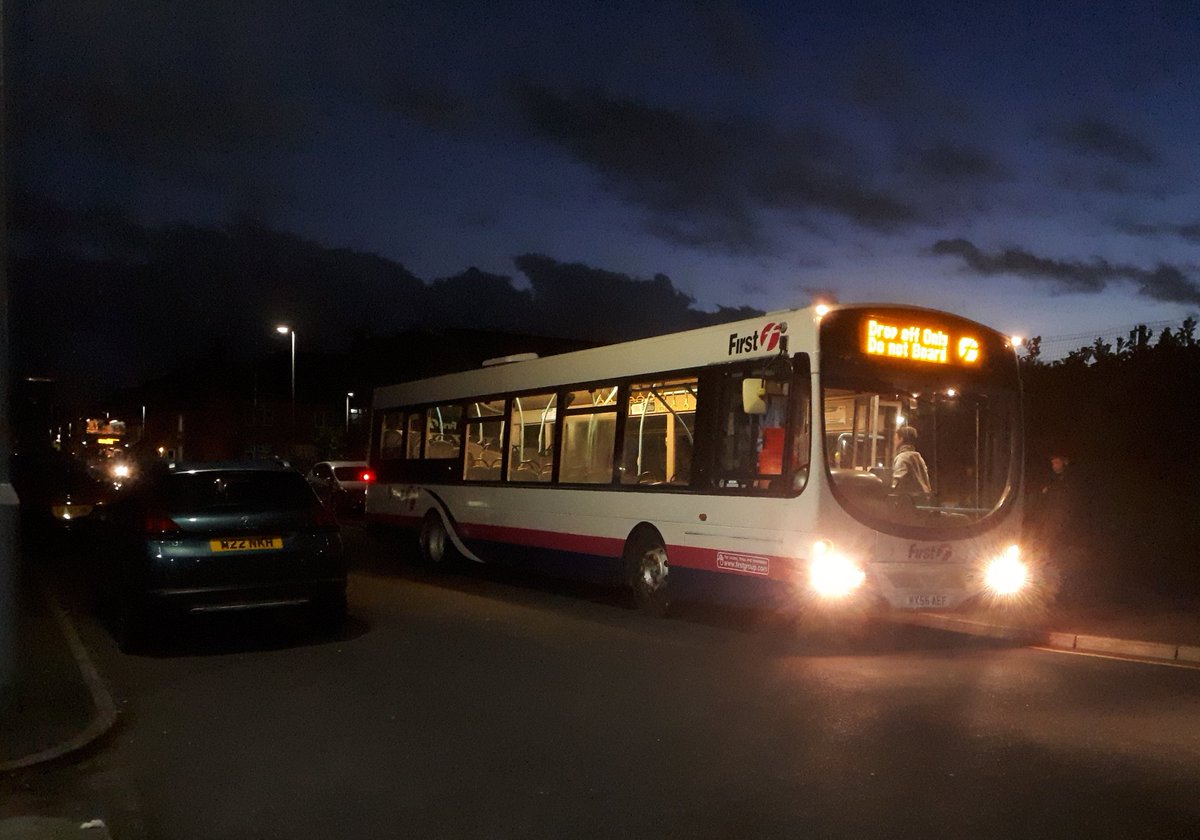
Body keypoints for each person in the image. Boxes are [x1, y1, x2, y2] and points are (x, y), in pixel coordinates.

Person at [891, 425, 931, 497]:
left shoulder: (902, 457)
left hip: (908, 502)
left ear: (901, 439)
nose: (894, 442)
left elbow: (897, 482)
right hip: (923, 500)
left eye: (895, 439)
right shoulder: (919, 457)